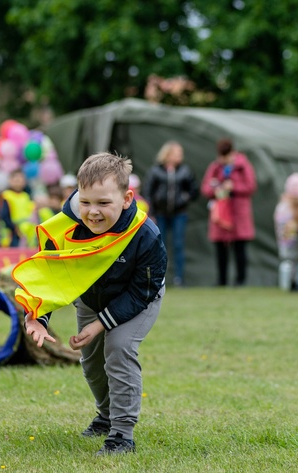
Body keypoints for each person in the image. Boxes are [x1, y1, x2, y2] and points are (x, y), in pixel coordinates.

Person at [14, 152, 166, 456]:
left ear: (126, 198)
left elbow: (140, 293)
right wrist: (38, 317)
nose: (93, 213)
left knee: (119, 348)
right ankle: (105, 416)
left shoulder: (145, 236)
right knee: (92, 361)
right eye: (85, 202)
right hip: (90, 296)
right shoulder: (67, 227)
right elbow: (52, 275)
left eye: (103, 203)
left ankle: (121, 434)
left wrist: (100, 325)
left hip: (136, 298)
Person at [201, 138, 256, 287]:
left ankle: (240, 280)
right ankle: (222, 280)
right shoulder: (215, 167)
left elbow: (250, 186)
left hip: (239, 212)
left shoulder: (243, 166)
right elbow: (205, 187)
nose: (224, 160)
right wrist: (216, 189)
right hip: (220, 213)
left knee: (240, 247)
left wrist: (234, 186)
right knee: (220, 248)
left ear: (233, 152)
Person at [144, 141, 197, 286]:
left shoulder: (185, 170)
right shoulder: (156, 170)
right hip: (160, 214)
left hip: (179, 214)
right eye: (177, 153)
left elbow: (194, 190)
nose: (180, 156)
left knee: (178, 245)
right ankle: (159, 278)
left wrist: (184, 198)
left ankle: (179, 278)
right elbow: (148, 192)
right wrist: (152, 212)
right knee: (159, 245)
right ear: (168, 154)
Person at [274, 172, 298, 291]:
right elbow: (280, 224)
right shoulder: (283, 206)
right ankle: (288, 284)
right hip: (288, 242)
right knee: (288, 264)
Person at [0, 169, 36, 247]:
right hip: (12, 233)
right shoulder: (6, 196)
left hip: (26, 232)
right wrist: (15, 228)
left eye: (21, 180)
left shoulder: (26, 196)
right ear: (10, 181)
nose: (18, 183)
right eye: (16, 180)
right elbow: (4, 215)